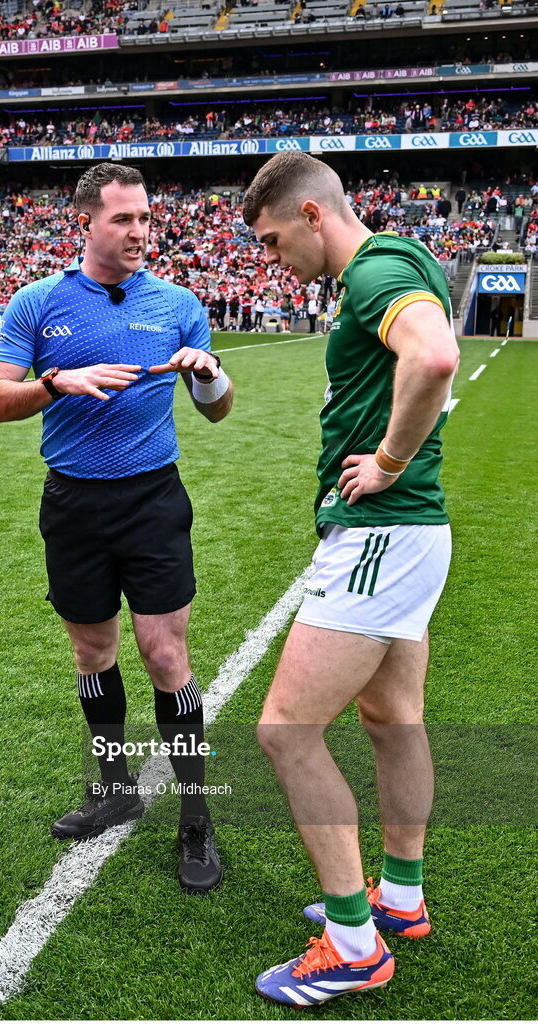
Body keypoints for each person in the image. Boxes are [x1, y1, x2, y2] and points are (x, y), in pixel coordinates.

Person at [0, 162, 233, 893]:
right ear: (85, 221)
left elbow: (216, 408)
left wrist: (207, 373)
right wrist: (55, 382)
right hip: (73, 504)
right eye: (124, 219)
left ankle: (195, 817)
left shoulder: (178, 302)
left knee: (163, 655)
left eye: (146, 218)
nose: (140, 232)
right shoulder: (38, 303)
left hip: (153, 501)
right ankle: (114, 788)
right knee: (92, 652)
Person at [241, 151, 459, 1007]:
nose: (271, 260)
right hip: (407, 536)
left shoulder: (372, 271)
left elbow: (434, 358)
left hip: (380, 534)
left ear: (309, 214)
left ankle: (351, 943)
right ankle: (398, 901)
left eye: (270, 240)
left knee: (285, 732)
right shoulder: (391, 263)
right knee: (393, 719)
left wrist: (389, 461)